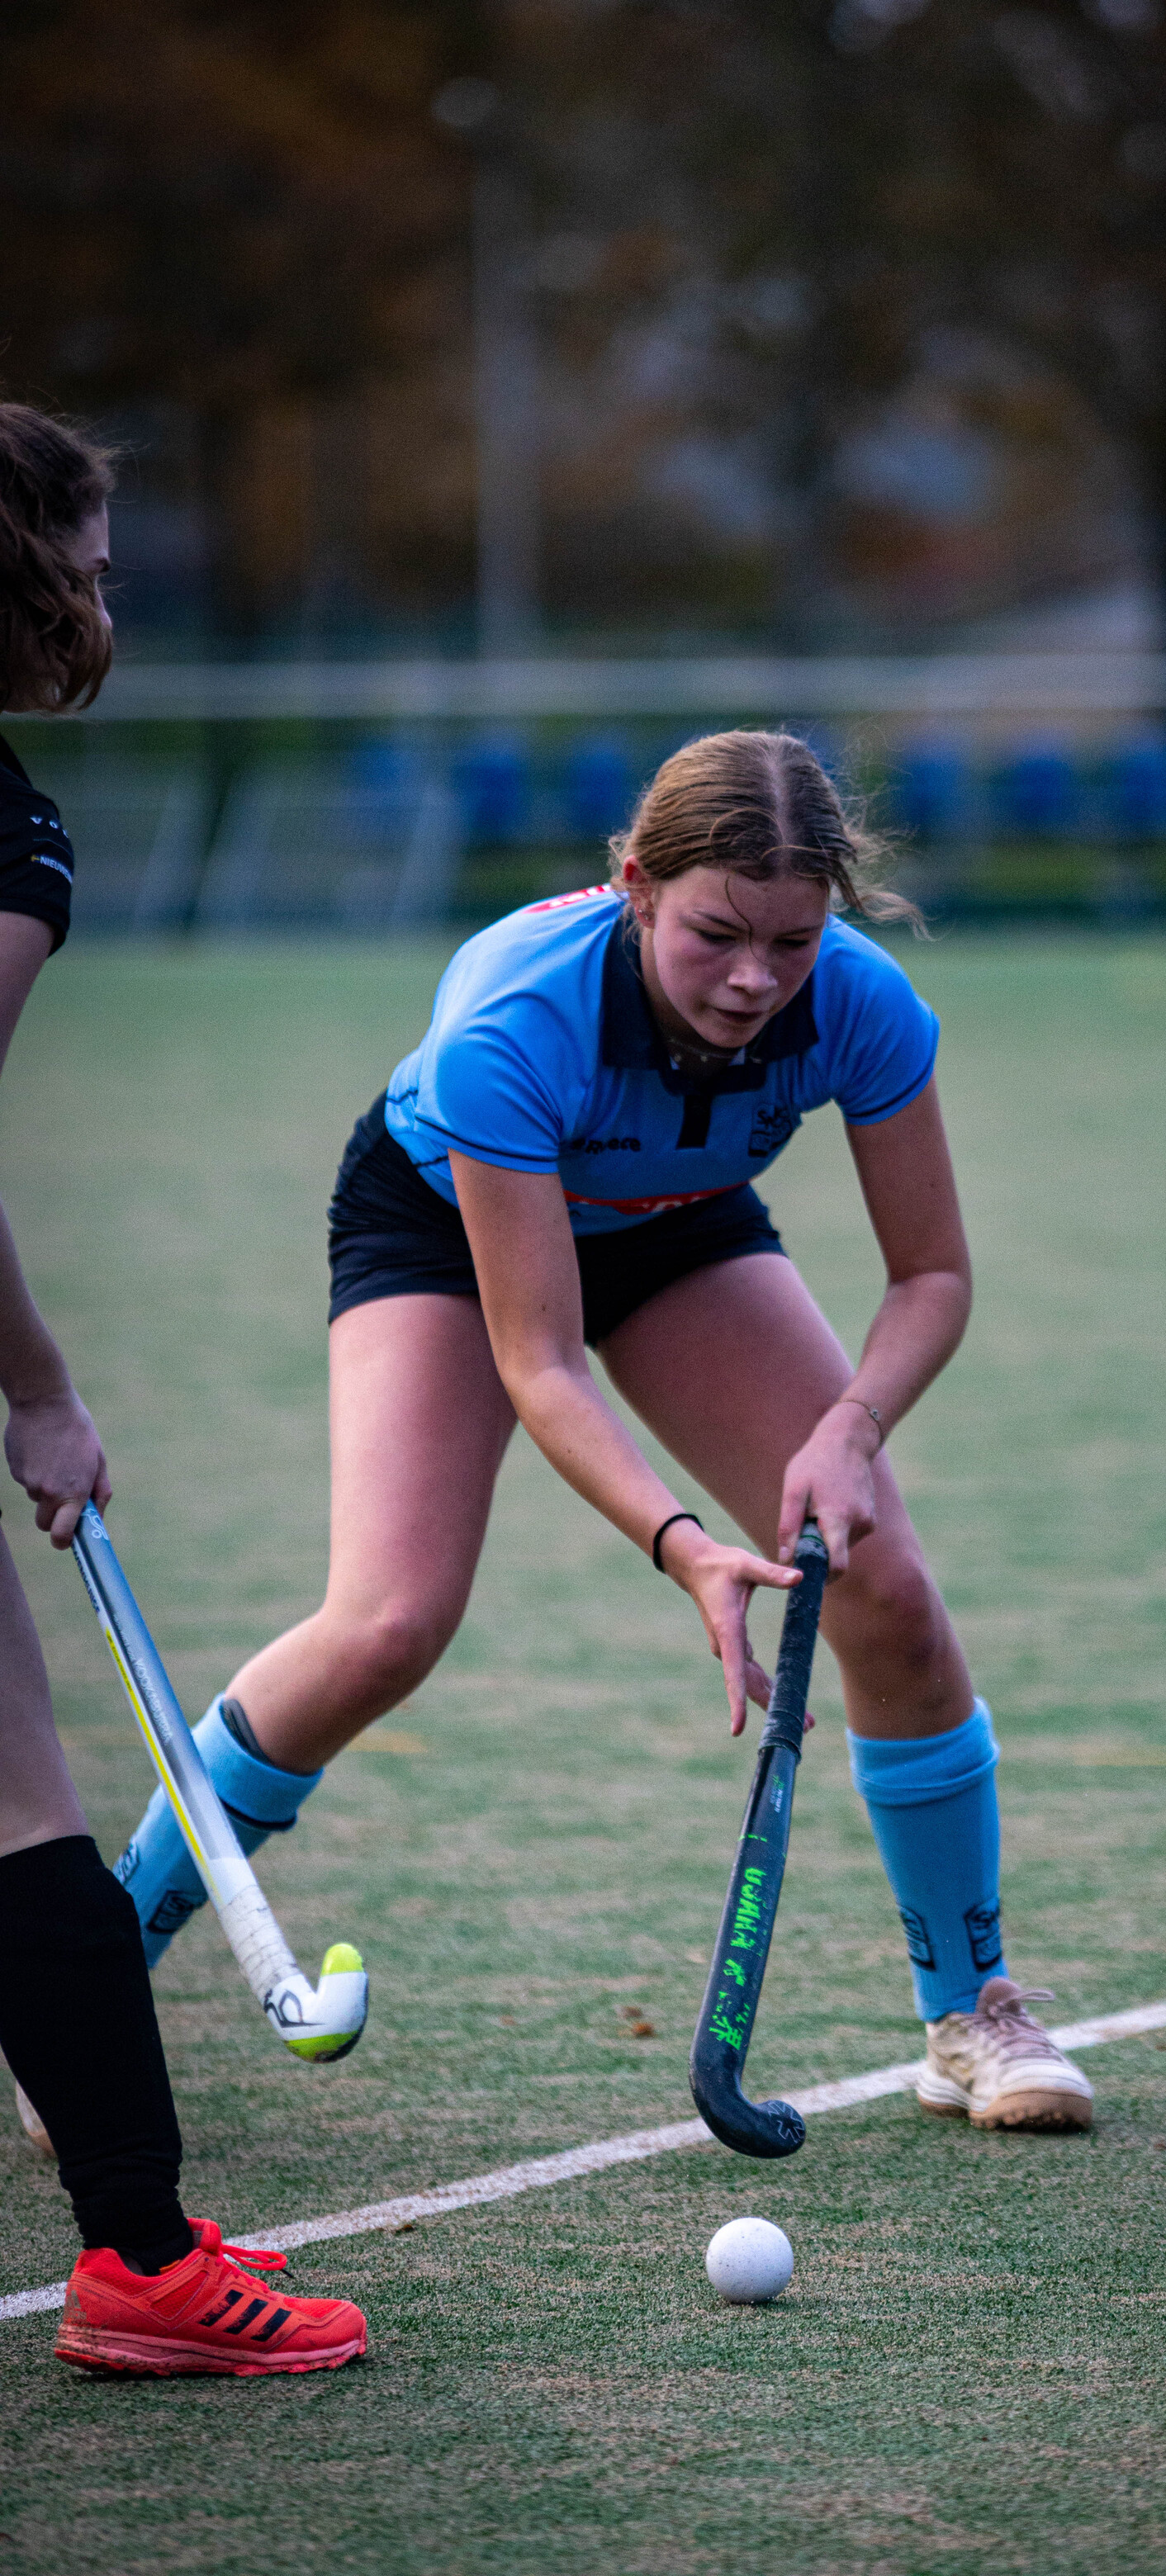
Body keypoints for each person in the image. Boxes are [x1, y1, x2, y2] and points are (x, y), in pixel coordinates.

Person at [118, 727, 1093, 2133]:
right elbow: (540, 1358)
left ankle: (974, 2015)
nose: (756, 980)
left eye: (793, 941)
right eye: (714, 934)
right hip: (448, 1228)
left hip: (678, 1224)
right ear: (636, 885)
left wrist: (852, 1431)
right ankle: (96, 1958)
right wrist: (685, 1545)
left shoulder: (863, 1007)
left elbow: (932, 1277)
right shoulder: (514, 1029)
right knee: (389, 1621)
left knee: (885, 1584)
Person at [0, 400, 367, 2373]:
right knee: (16, 1802)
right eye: (98, 559)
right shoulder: (5, 832)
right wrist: (42, 1392)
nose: (112, 596)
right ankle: (142, 2265)